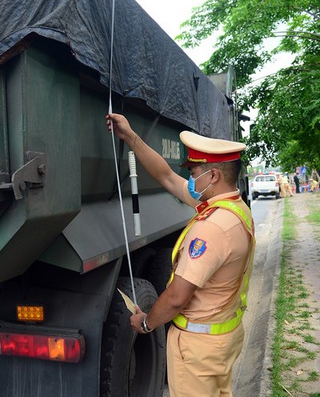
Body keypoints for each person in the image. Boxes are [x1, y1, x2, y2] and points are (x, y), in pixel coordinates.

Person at [105, 113, 255, 397]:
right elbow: (166, 176)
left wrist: (147, 323)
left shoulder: (212, 228)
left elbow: (176, 297)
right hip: (222, 337)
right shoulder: (235, 208)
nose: (190, 178)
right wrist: (131, 137)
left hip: (198, 349)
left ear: (213, 176)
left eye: (195, 172)